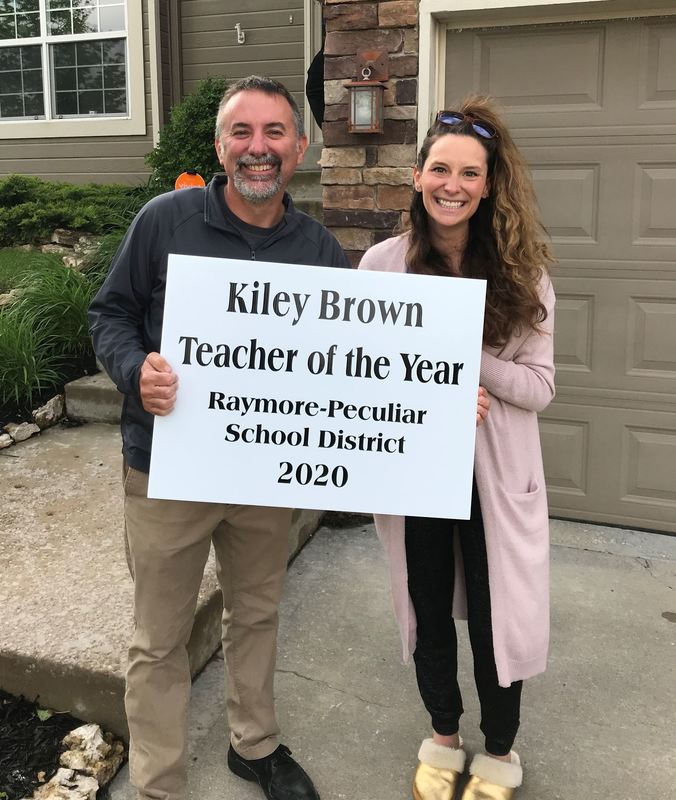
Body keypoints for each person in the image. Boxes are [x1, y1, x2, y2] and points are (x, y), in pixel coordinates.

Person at [88, 75, 350, 800]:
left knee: (257, 613)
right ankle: (159, 782)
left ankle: (254, 744)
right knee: (159, 637)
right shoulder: (164, 221)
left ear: (299, 148)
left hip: (263, 472)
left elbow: (350, 368)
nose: (257, 149)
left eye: (274, 134)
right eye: (243, 132)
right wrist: (135, 368)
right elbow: (109, 313)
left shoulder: (320, 250)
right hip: (166, 466)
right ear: (220, 145)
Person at [359, 96, 556, 800]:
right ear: (416, 176)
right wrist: (424, 393)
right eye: (440, 168)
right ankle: (443, 732)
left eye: (469, 173)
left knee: (499, 614)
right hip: (414, 475)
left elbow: (538, 387)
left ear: (488, 183)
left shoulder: (523, 274)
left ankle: (500, 748)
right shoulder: (382, 267)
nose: (453, 184)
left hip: (494, 477)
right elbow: (361, 376)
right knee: (426, 603)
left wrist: (460, 358)